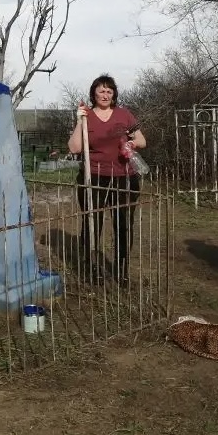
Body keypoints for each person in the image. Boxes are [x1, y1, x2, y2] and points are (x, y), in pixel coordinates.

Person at [67, 74, 147, 282]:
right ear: (94, 93)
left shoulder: (124, 114)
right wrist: (80, 121)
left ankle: (121, 270)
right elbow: (74, 148)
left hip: (124, 177)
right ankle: (92, 269)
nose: (105, 94)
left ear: (114, 94)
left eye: (109, 91)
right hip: (93, 177)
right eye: (101, 90)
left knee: (123, 224)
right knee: (92, 223)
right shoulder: (87, 116)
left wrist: (132, 143)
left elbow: (142, 140)